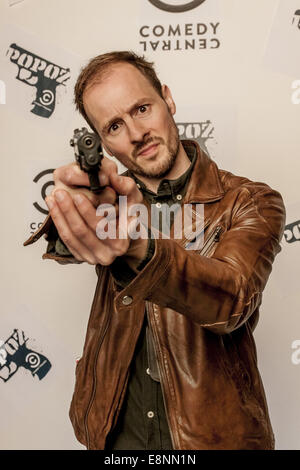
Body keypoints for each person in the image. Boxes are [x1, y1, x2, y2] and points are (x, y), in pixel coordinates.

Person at [24, 51, 286, 450]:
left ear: (168, 98)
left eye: (142, 108)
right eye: (114, 126)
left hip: (215, 438)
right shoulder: (110, 200)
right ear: (104, 144)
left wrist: (140, 248)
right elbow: (69, 249)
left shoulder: (249, 201)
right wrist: (73, 211)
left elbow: (232, 300)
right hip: (117, 438)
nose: (135, 133)